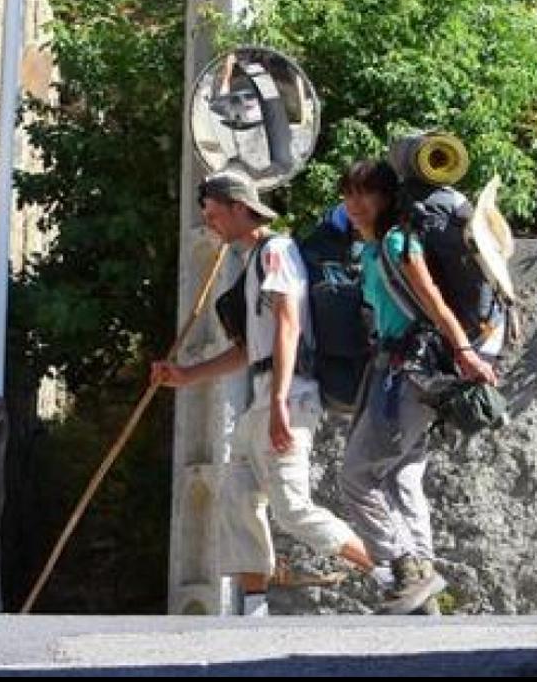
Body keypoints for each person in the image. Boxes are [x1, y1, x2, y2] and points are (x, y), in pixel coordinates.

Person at [152, 170, 376, 617]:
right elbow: (249, 351)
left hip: (288, 396)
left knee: (293, 509)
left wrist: (277, 404)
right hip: (262, 397)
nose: (209, 223)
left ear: (239, 208)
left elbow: (288, 325)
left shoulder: (276, 252)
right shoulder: (254, 260)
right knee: (237, 499)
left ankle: (392, 573)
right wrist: (186, 375)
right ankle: (254, 613)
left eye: (213, 213)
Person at [338, 158, 499, 615]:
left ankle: (405, 568)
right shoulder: (370, 250)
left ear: (388, 198)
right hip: (396, 371)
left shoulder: (396, 243)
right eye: (348, 193)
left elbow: (436, 305)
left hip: (410, 373)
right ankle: (421, 582)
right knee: (402, 476)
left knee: (357, 475)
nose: (355, 203)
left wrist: (466, 353)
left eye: (366, 192)